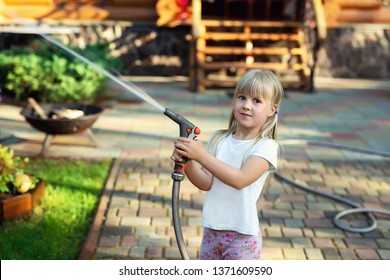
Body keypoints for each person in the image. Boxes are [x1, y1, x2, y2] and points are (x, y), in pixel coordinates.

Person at [171, 69, 283, 260]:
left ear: (272, 109)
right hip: (212, 231)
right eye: (241, 97)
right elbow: (206, 182)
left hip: (242, 238)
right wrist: (189, 162)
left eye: (256, 101)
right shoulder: (220, 139)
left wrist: (202, 155)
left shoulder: (266, 147)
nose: (247, 105)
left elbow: (240, 180)